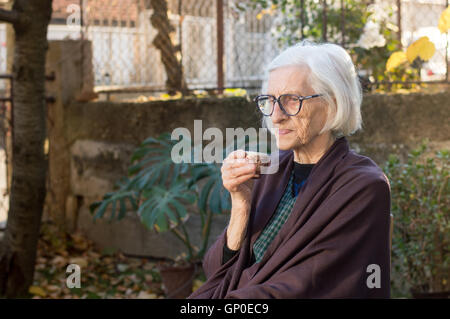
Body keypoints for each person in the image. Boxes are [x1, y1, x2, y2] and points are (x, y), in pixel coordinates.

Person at [188, 40, 391, 299]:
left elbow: (308, 286)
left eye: (291, 100)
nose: (275, 116)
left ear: (332, 104)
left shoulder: (362, 186)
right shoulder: (270, 171)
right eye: (270, 101)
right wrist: (241, 205)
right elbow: (216, 271)